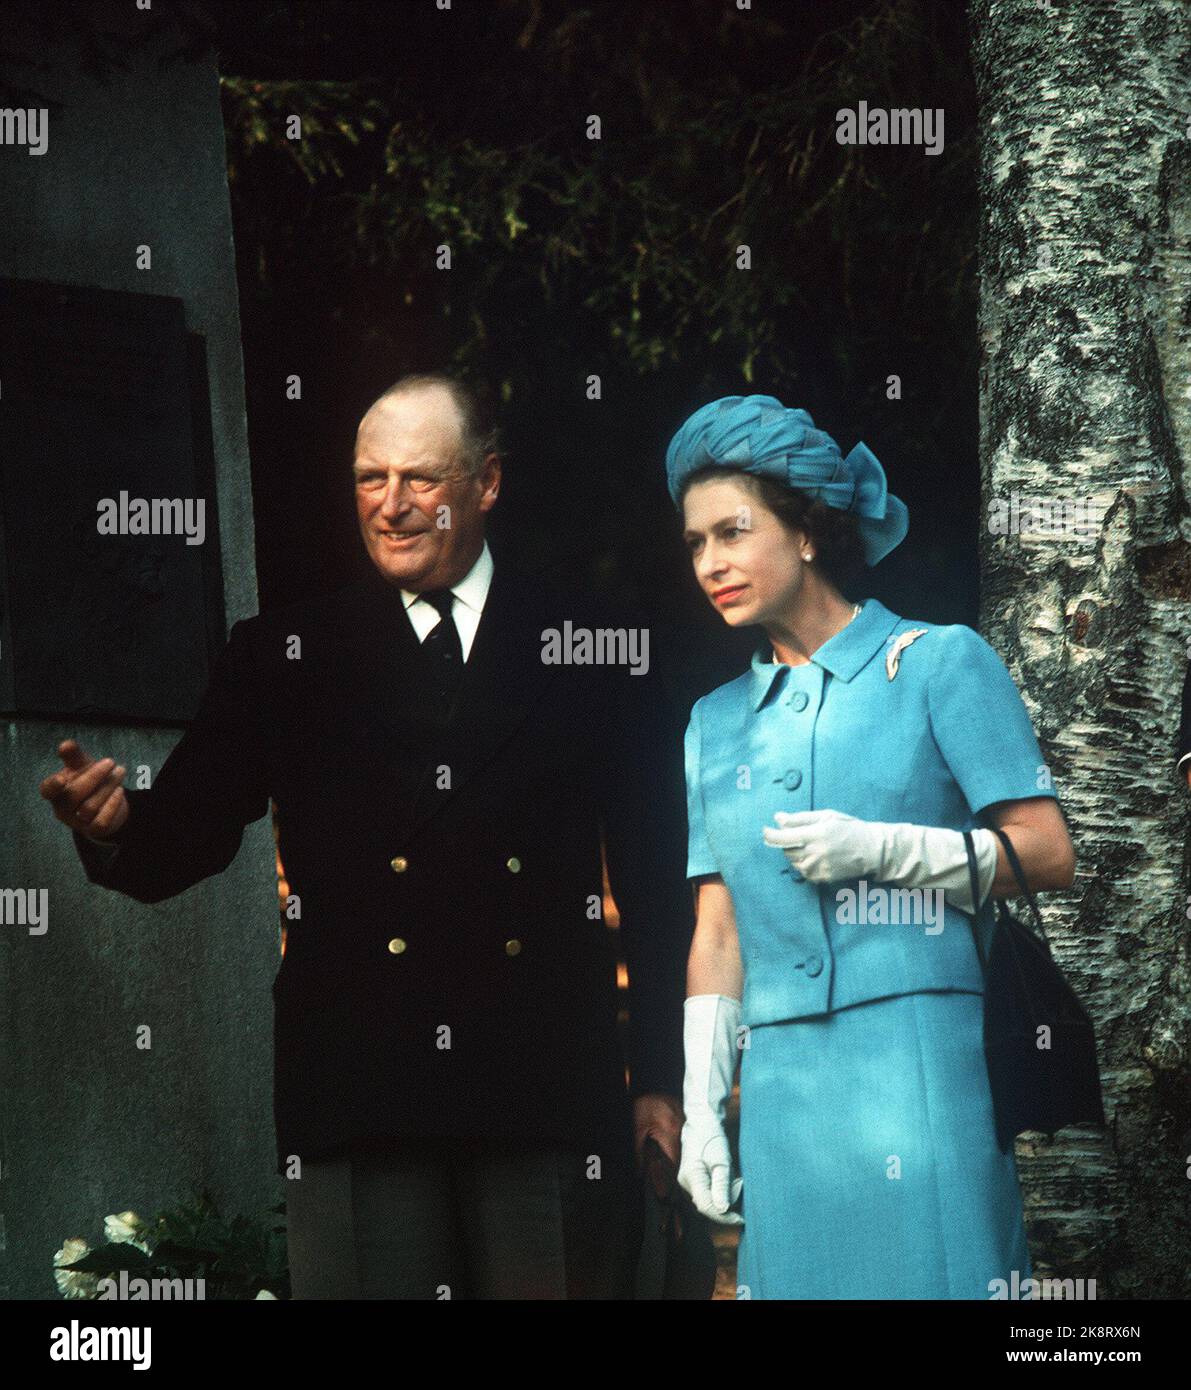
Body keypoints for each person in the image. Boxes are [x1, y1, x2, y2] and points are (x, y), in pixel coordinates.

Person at [40, 374, 692, 1300]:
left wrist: (657, 1079)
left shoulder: (590, 645)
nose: (390, 506)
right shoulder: (283, 654)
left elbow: (655, 877)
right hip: (359, 1091)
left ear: (488, 483)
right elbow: (183, 834)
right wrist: (115, 827)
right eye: (367, 478)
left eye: (420, 478)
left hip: (543, 1088)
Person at [669, 394, 1076, 1299]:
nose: (710, 563)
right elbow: (719, 930)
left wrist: (888, 851)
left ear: (808, 532)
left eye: (731, 533)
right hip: (782, 1097)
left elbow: (1047, 852)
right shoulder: (711, 724)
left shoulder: (938, 661)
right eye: (695, 543)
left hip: (921, 1066)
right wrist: (701, 1107)